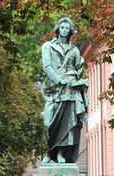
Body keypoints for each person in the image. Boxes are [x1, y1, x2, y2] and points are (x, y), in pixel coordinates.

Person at [41, 17, 88, 163]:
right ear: (57, 29)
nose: (65, 30)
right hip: (54, 88)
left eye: (67, 28)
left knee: (68, 123)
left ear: (70, 31)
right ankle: (49, 152)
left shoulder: (74, 50)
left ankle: (60, 154)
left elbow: (78, 69)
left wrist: (80, 79)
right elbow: (47, 66)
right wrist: (58, 79)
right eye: (62, 27)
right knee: (49, 120)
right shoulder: (48, 46)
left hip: (70, 88)